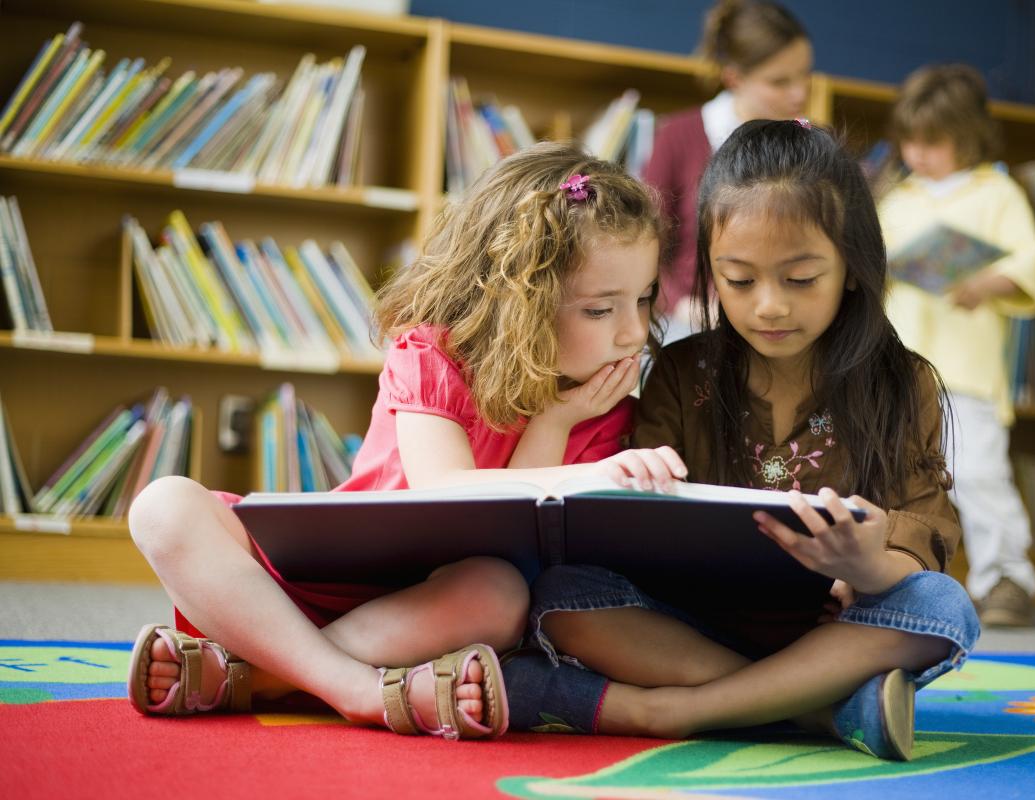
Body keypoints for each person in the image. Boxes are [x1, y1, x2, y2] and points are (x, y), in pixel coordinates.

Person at [125, 142, 677, 740]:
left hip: (421, 611)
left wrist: (553, 423)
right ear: (517, 300)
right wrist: (575, 469)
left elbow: (520, 544)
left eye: (644, 298)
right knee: (162, 505)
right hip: (297, 585)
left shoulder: (602, 405)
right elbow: (445, 489)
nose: (633, 331)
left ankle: (258, 678)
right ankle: (357, 690)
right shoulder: (433, 353)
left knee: (501, 595)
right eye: (600, 310)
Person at [507, 120, 979, 761]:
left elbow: (928, 526)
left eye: (801, 278)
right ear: (709, 270)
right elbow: (629, 528)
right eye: (739, 279)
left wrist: (867, 565)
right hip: (692, 627)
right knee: (563, 594)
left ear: (854, 268)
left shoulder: (903, 383)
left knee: (943, 607)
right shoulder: (680, 372)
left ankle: (659, 710)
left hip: (837, 632)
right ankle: (820, 708)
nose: (768, 307)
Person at [879, 64, 1035, 627]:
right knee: (898, 475)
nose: (918, 152)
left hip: (967, 369)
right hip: (899, 367)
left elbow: (1026, 264)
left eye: (933, 141)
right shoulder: (894, 198)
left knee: (977, 475)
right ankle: (902, 576)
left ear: (968, 135)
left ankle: (1004, 578)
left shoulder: (998, 192)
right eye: (910, 140)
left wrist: (985, 283)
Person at [642, 0, 812, 340]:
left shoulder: (810, 143)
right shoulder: (677, 136)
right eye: (779, 82)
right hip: (691, 327)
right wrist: (677, 304)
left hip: (780, 327)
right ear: (734, 78)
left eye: (805, 74)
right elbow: (642, 240)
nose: (800, 93)